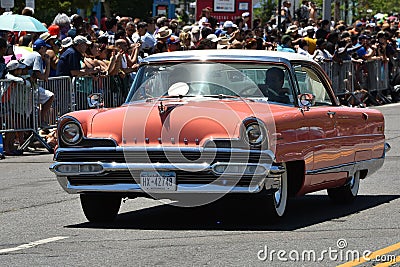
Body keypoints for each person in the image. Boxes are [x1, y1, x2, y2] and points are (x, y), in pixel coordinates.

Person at [20, 39, 55, 127]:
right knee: (27, 112)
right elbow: (41, 76)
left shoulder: (31, 54)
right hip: (27, 88)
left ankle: (34, 127)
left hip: (26, 86)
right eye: (45, 48)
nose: (46, 51)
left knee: (28, 112)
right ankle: (41, 121)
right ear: (42, 48)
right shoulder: (37, 56)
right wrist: (48, 63)